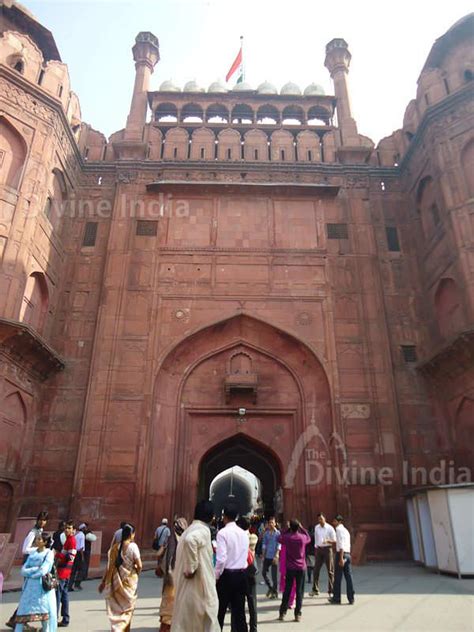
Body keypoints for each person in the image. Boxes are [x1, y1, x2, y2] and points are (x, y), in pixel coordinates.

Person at [171, 500, 219, 632]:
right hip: (198, 589)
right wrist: (191, 568)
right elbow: (191, 540)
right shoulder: (203, 530)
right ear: (210, 516)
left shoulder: (188, 530)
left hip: (187, 590)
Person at [6, 511, 49, 630]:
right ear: (37, 520)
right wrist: (39, 549)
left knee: (29, 595)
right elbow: (25, 549)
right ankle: (16, 620)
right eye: (40, 519)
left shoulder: (39, 532)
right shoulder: (33, 532)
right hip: (30, 566)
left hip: (34, 566)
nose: (42, 522)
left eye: (44, 520)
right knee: (28, 594)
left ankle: (17, 619)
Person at [99, 523, 142, 630]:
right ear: (131, 534)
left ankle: (116, 629)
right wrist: (137, 571)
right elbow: (139, 565)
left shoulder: (115, 548)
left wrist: (103, 582)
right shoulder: (133, 546)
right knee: (127, 611)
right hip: (129, 585)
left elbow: (108, 567)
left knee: (117, 611)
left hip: (116, 584)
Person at [13, 532, 57, 632]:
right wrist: (34, 570)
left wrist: (31, 573)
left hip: (42, 589)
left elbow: (43, 570)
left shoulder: (48, 553)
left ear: (45, 542)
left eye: (39, 539)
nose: (36, 541)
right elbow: (23, 570)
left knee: (44, 616)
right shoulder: (33, 553)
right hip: (29, 588)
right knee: (21, 614)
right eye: (36, 539)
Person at [215, 504, 249, 632]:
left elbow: (221, 559)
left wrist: (216, 576)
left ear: (224, 517)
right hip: (241, 575)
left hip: (227, 576)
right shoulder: (243, 533)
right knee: (239, 614)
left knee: (219, 612)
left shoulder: (222, 533)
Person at [278, 519, 310, 623]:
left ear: (291, 527)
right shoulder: (302, 538)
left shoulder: (287, 537)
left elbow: (279, 538)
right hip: (301, 567)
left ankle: (282, 613)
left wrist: (287, 530)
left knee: (287, 590)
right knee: (299, 591)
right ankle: (298, 614)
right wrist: (302, 528)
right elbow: (309, 537)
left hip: (290, 567)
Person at [159, 517, 188, 632]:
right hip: (182, 581)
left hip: (172, 582)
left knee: (168, 614)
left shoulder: (172, 540)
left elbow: (167, 562)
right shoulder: (186, 541)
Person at [231, 517, 257, 632]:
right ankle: (253, 629)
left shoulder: (236, 538)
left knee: (237, 603)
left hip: (239, 572)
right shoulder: (253, 537)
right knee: (252, 604)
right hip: (251, 572)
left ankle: (235, 628)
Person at [328, 515, 355, 605]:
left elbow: (342, 545)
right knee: (349, 577)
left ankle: (336, 598)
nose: (333, 523)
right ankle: (351, 598)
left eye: (334, 521)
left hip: (341, 554)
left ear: (339, 522)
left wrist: (340, 558)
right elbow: (342, 542)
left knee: (338, 577)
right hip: (347, 554)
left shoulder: (338, 530)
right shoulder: (346, 530)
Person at [55, 521, 76, 627]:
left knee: (58, 595)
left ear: (73, 530)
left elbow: (70, 557)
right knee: (64, 595)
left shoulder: (71, 541)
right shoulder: (68, 540)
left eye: (69, 528)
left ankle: (55, 618)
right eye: (66, 528)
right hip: (66, 571)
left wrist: (57, 554)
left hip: (63, 571)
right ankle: (65, 619)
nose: (67, 530)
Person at [309, 513, 335, 597]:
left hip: (328, 549)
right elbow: (316, 538)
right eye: (319, 519)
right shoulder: (316, 527)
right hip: (319, 549)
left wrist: (328, 541)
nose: (320, 520)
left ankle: (331, 590)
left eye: (321, 519)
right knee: (316, 570)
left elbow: (334, 540)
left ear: (325, 519)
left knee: (330, 570)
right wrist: (316, 548)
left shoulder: (330, 528)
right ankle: (315, 589)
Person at [261, 517, 280, 599]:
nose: (271, 524)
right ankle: (271, 587)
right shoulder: (266, 534)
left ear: (275, 523)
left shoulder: (278, 533)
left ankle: (275, 592)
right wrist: (263, 555)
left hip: (274, 556)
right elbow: (264, 545)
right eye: (269, 523)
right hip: (267, 556)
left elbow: (279, 545)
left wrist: (277, 555)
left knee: (274, 576)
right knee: (263, 572)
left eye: (272, 522)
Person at [278, 539, 296, 610]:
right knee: (285, 585)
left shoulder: (296, 540)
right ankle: (286, 601)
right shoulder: (284, 542)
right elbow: (282, 557)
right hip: (285, 567)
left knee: (293, 585)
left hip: (293, 566)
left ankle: (291, 601)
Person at [68, 525, 85, 592]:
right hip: (78, 554)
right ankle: (77, 584)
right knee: (81, 569)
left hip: (73, 552)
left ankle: (70, 585)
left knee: (73, 570)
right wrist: (82, 557)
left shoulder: (75, 534)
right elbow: (81, 547)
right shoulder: (82, 535)